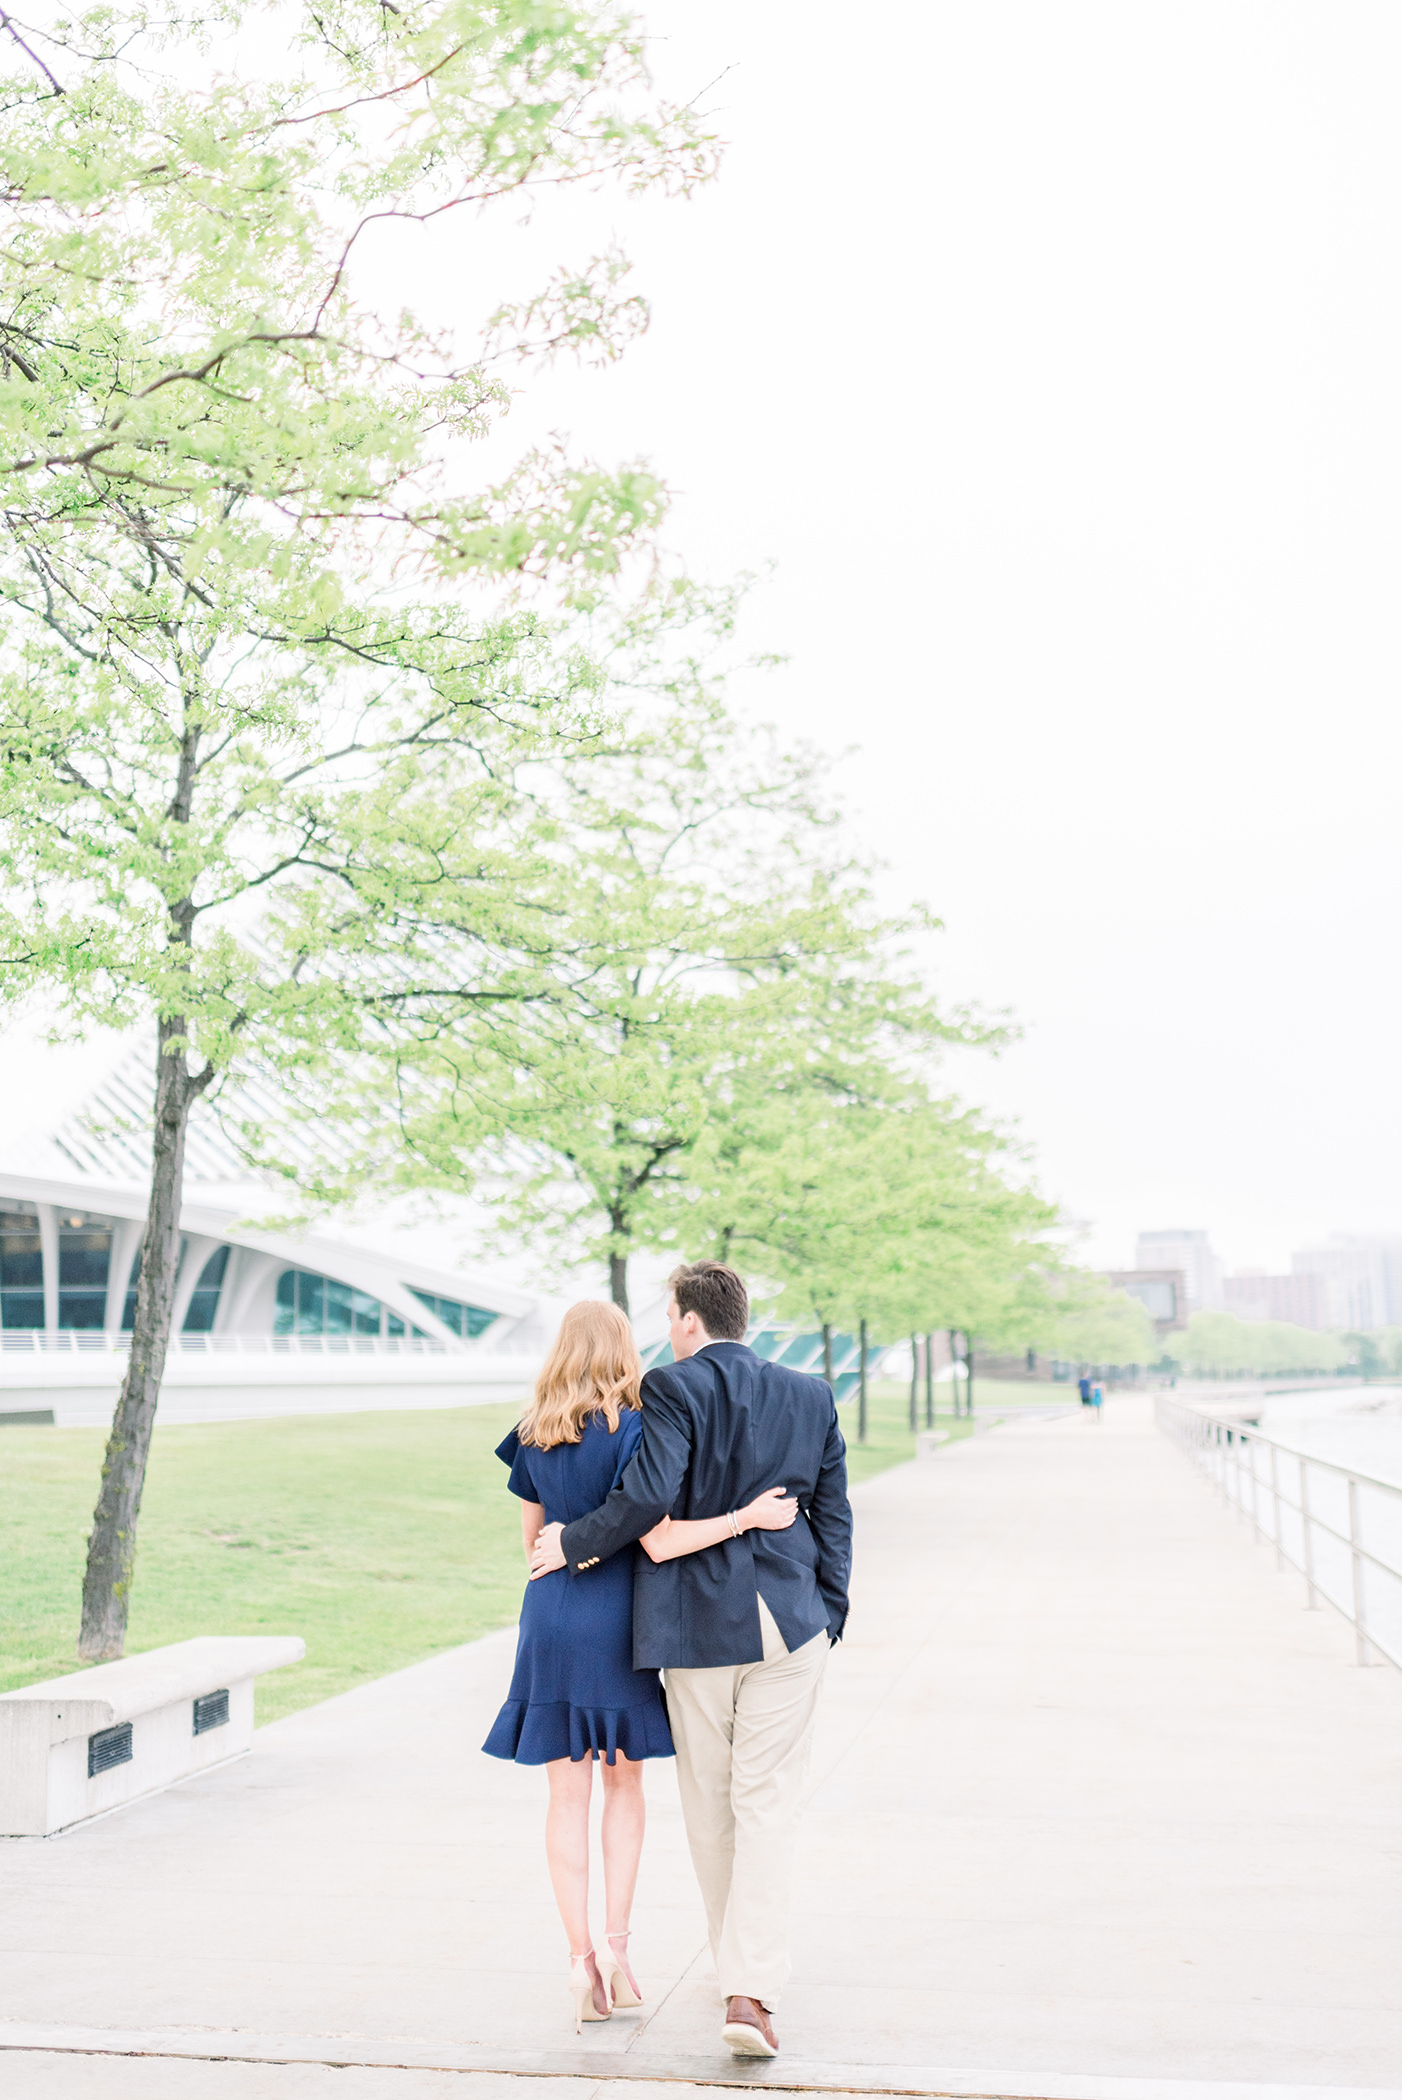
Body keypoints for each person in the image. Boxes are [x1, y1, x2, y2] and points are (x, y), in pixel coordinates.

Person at [529, 1261, 853, 2060]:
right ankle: (751, 1987)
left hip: (700, 1628)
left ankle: (738, 1977)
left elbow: (645, 1499)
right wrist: (832, 1608)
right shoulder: (810, 1394)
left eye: (668, 1314)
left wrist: (571, 1542)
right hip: (792, 1624)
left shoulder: (671, 1389)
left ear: (687, 1321)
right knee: (768, 1803)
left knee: (712, 1807)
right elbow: (834, 1509)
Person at [482, 1299, 800, 2035]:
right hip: (616, 1624)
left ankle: (578, 1958)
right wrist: (743, 1519)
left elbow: (533, 1545)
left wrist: (564, 1548)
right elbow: (651, 1536)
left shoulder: (534, 1430)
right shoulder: (636, 1428)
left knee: (565, 1799)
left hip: (550, 1620)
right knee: (624, 1789)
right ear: (626, 1347)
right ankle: (620, 1950)